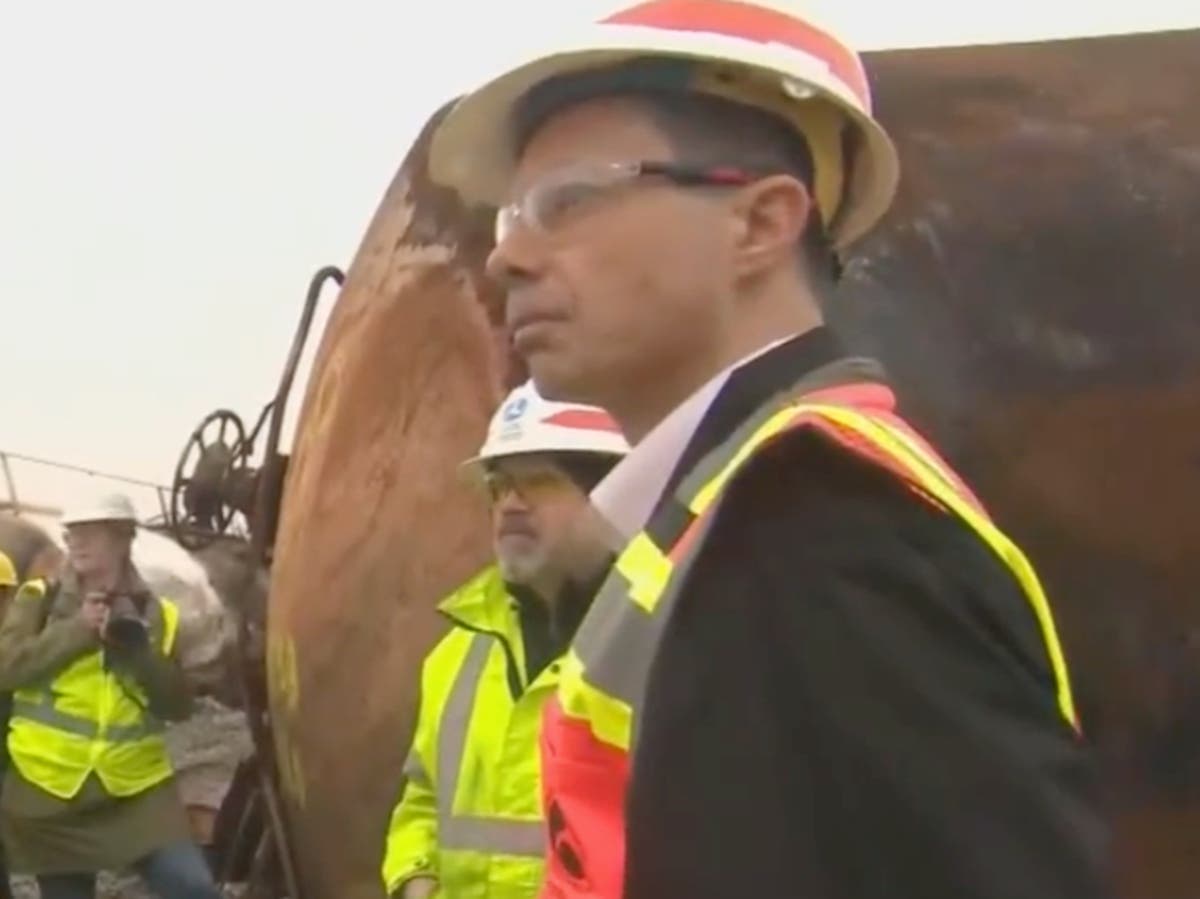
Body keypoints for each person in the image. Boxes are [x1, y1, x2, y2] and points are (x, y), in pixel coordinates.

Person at [427, 2, 1116, 898]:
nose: (505, 258)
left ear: (759, 225)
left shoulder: (823, 531)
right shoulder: (718, 516)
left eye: (569, 201)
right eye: (510, 216)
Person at [381, 382, 629, 899]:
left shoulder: (661, 646)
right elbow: (422, 799)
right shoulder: (456, 654)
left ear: (613, 496)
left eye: (538, 481)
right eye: (498, 486)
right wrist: (414, 882)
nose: (509, 504)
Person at [0, 494, 221, 899]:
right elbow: (6, 668)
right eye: (71, 533)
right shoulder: (40, 599)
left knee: (193, 888)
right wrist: (77, 632)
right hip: (51, 790)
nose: (75, 542)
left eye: (89, 532)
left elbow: (176, 707)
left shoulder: (160, 614)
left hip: (135, 790)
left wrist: (139, 653)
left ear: (123, 538)